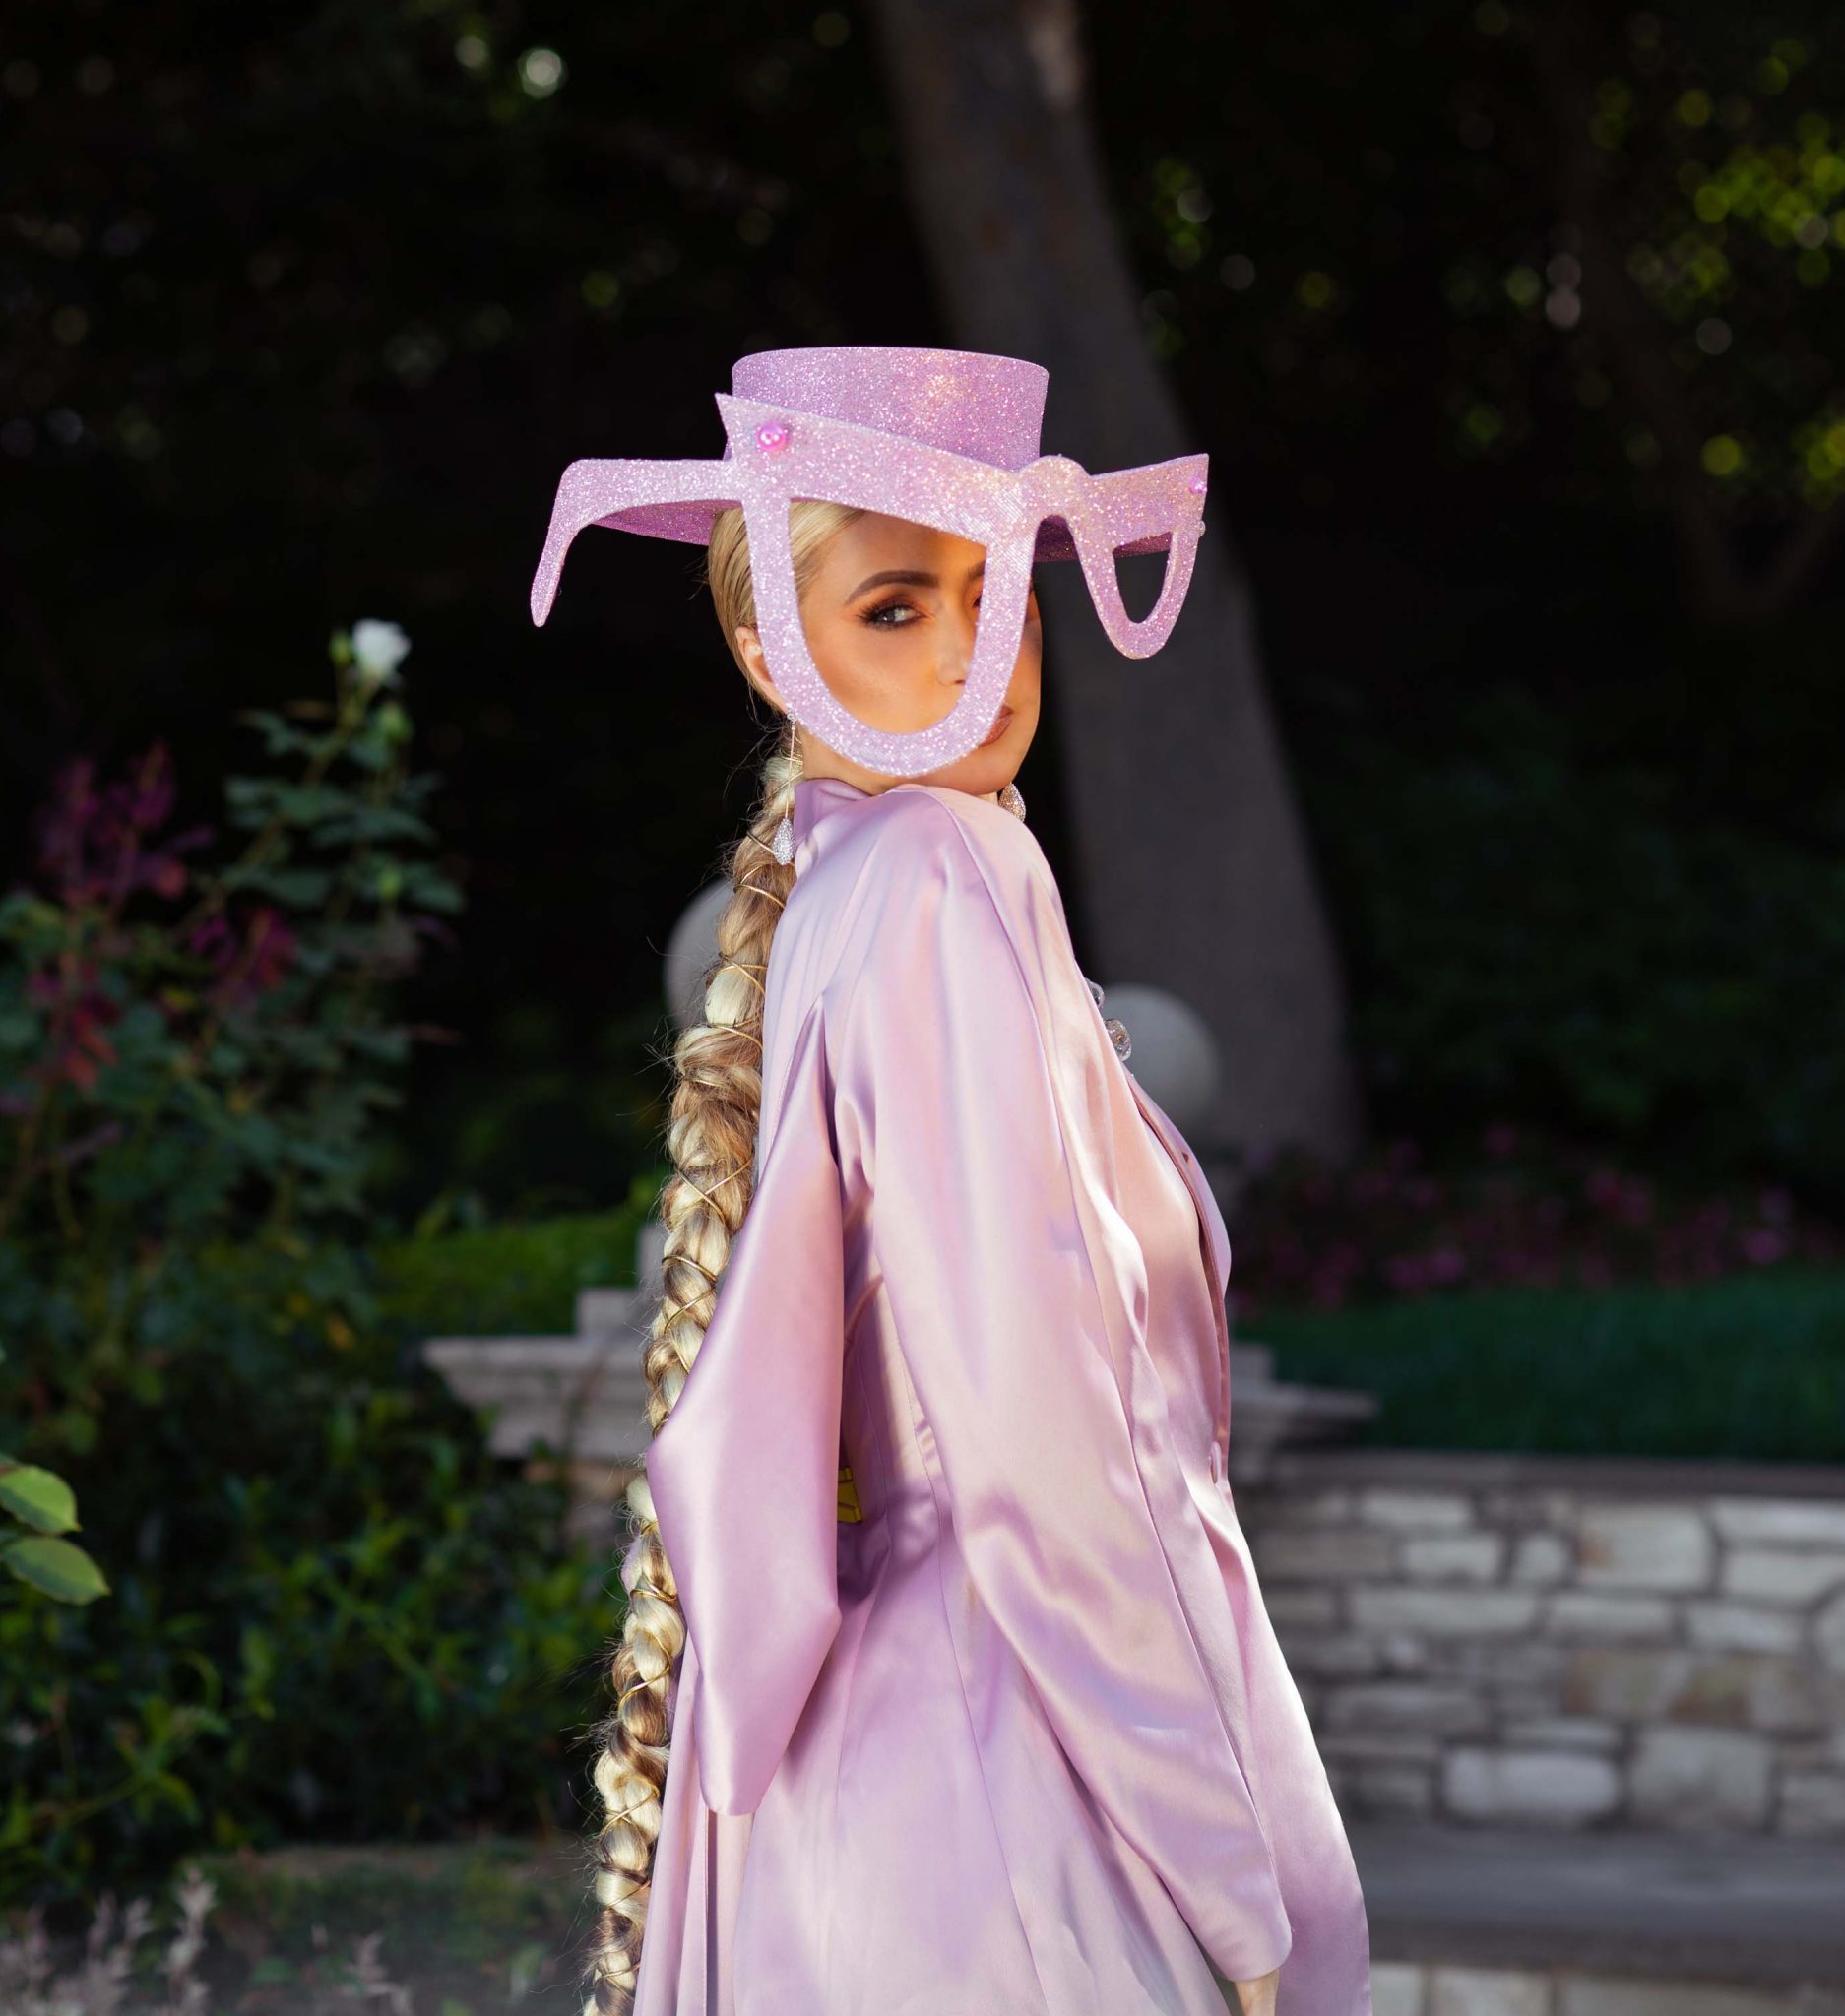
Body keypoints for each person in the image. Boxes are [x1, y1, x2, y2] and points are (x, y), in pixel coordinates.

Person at [531, 347, 1371, 2016]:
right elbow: (1044, 1443)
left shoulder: (843, 877)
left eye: (1002, 599)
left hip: (859, 1795)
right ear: (769, 647)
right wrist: (1226, 1874)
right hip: (999, 1808)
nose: (974, 662)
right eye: (900, 606)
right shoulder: (938, 874)